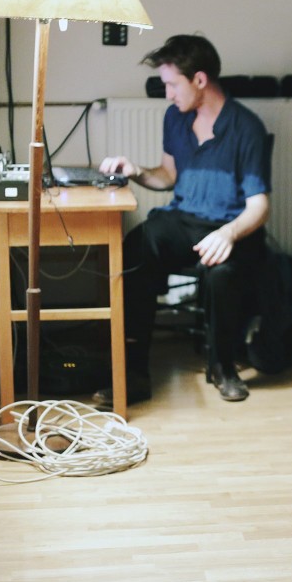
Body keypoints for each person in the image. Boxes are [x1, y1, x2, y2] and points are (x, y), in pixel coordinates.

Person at [96, 35, 272, 404]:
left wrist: (228, 234)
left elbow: (259, 205)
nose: (168, 94)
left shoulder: (247, 127)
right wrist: (136, 170)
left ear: (200, 80)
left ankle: (223, 367)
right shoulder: (175, 118)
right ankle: (134, 372)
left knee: (223, 274)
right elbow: (169, 175)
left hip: (230, 227)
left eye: (172, 85)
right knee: (137, 247)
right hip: (184, 219)